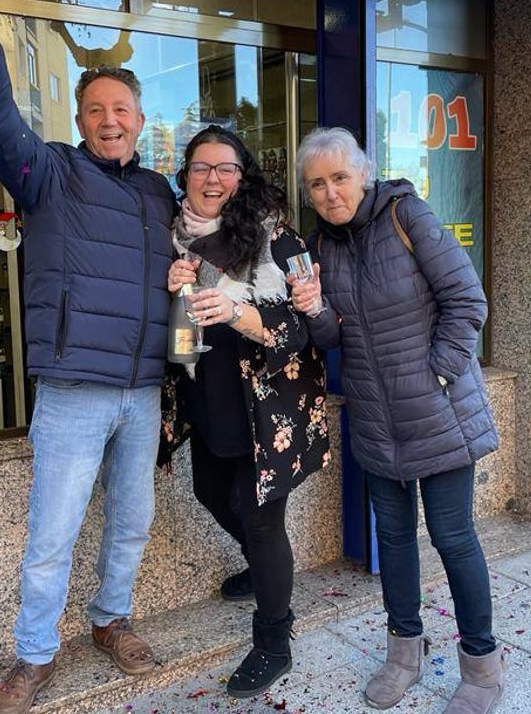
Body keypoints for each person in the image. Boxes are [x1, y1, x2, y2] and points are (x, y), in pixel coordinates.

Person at [0, 3, 176, 714]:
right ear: (80, 122)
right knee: (54, 534)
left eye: (123, 109)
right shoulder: (48, 173)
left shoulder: (157, 192)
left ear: (140, 120)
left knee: (132, 520)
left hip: (142, 390)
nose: (111, 120)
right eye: (96, 110)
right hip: (75, 387)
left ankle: (111, 619)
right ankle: (34, 656)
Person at [289, 127, 505, 714]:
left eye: (339, 177)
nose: (331, 192)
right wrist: (313, 311)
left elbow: (468, 301)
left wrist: (436, 373)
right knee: (392, 539)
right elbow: (334, 337)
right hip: (375, 418)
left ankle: (482, 667)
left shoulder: (406, 214)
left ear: (364, 172)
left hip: (436, 411)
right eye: (317, 184)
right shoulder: (320, 247)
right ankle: (404, 652)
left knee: (453, 536)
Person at [160, 125, 329, 698]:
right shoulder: (176, 236)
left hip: (266, 404)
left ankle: (274, 641)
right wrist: (171, 287)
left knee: (262, 521)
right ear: (186, 174)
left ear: (243, 174)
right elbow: (173, 326)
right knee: (211, 491)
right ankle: (263, 568)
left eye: (225, 168)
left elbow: (303, 328)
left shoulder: (278, 237)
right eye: (202, 167)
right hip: (207, 393)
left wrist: (237, 313)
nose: (213, 179)